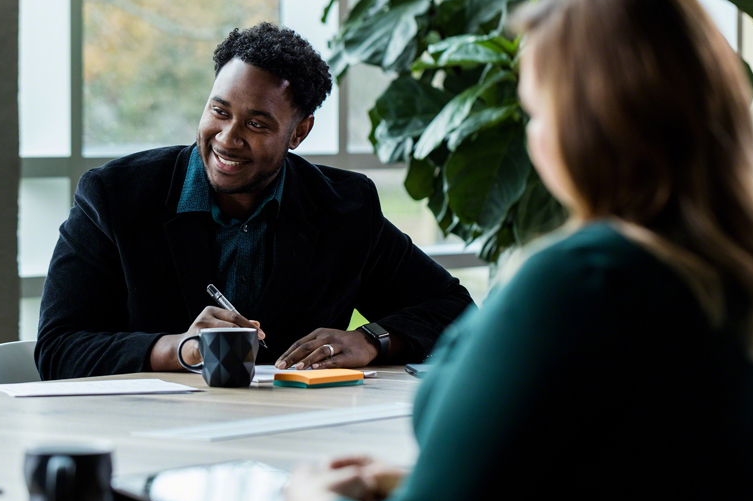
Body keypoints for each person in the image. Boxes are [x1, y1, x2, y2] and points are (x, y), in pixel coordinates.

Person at [283, 0, 753, 501]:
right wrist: (425, 485)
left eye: (535, 111)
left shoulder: (580, 284)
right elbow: (633, 482)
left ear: (583, 125)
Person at [35, 22, 473, 380]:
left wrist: (371, 339)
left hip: (297, 438)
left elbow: (455, 312)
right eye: (219, 112)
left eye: (257, 124)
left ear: (299, 132)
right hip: (150, 436)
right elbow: (58, 349)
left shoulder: (346, 207)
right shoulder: (115, 197)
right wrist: (182, 349)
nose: (228, 139)